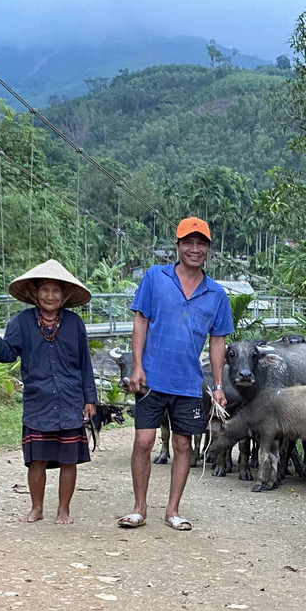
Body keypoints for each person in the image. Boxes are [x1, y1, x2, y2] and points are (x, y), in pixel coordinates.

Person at [118, 217, 233, 532]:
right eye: (188, 242)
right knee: (143, 441)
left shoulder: (217, 295)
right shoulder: (156, 277)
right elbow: (140, 321)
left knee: (183, 443)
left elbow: (217, 341)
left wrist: (219, 385)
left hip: (188, 382)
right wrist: (137, 366)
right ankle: (140, 507)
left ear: (208, 249)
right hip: (152, 377)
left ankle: (172, 510)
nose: (194, 249)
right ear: (178, 245)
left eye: (201, 243)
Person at [0, 258, 98, 525]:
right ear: (34, 293)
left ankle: (63, 510)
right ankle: (37, 508)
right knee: (37, 459)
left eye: (56, 291)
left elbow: (85, 363)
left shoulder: (75, 324)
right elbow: (7, 354)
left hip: (69, 400)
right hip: (38, 401)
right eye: (45, 290)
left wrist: (90, 398)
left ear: (65, 295)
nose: (50, 296)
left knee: (69, 460)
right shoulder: (21, 323)